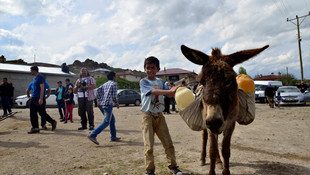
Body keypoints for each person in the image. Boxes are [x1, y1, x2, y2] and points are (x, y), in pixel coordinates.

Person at [140, 56, 182, 175]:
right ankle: (150, 170)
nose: (150, 70)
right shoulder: (143, 82)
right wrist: (169, 91)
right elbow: (153, 92)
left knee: (168, 143)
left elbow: (169, 95)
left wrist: (176, 89)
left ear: (158, 69)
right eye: (148, 68)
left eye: (153, 68)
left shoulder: (160, 82)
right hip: (147, 116)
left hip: (160, 116)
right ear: (144, 69)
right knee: (149, 145)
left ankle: (173, 166)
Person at [87, 71, 121, 145]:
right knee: (106, 122)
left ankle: (113, 137)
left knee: (112, 120)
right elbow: (114, 96)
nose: (116, 78)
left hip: (102, 104)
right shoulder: (114, 84)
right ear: (113, 77)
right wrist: (117, 103)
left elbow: (98, 90)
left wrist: (98, 101)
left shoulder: (105, 84)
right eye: (116, 76)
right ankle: (93, 135)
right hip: (108, 105)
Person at [28, 66, 57, 134]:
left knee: (42, 113)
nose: (30, 72)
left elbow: (42, 88)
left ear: (34, 70)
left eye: (31, 70)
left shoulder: (40, 77)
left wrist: (41, 98)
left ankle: (53, 122)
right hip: (34, 98)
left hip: (39, 98)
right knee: (33, 113)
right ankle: (35, 128)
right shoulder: (34, 78)